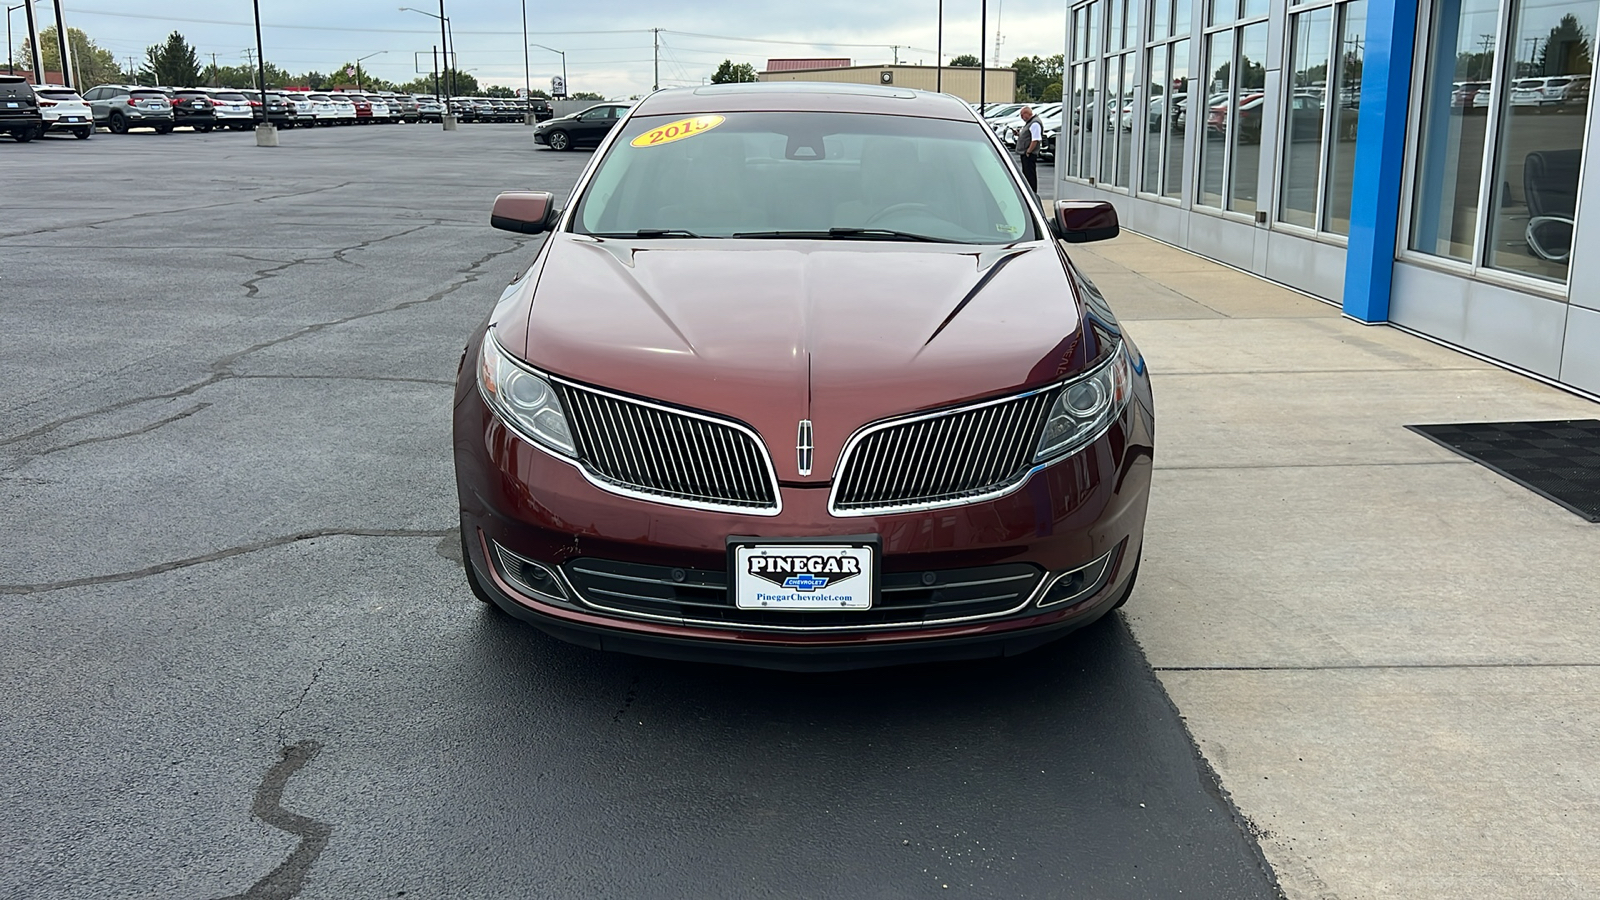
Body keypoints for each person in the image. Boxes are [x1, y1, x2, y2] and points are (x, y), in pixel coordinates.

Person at [1017, 105, 1042, 194]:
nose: (1022, 118)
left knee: (1030, 175)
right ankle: (1029, 191)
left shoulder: (1035, 123)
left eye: (1022, 115)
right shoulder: (1030, 122)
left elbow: (1035, 139)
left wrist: (1029, 151)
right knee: (1026, 174)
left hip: (1029, 154)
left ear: (1027, 113)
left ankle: (1032, 192)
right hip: (1025, 153)